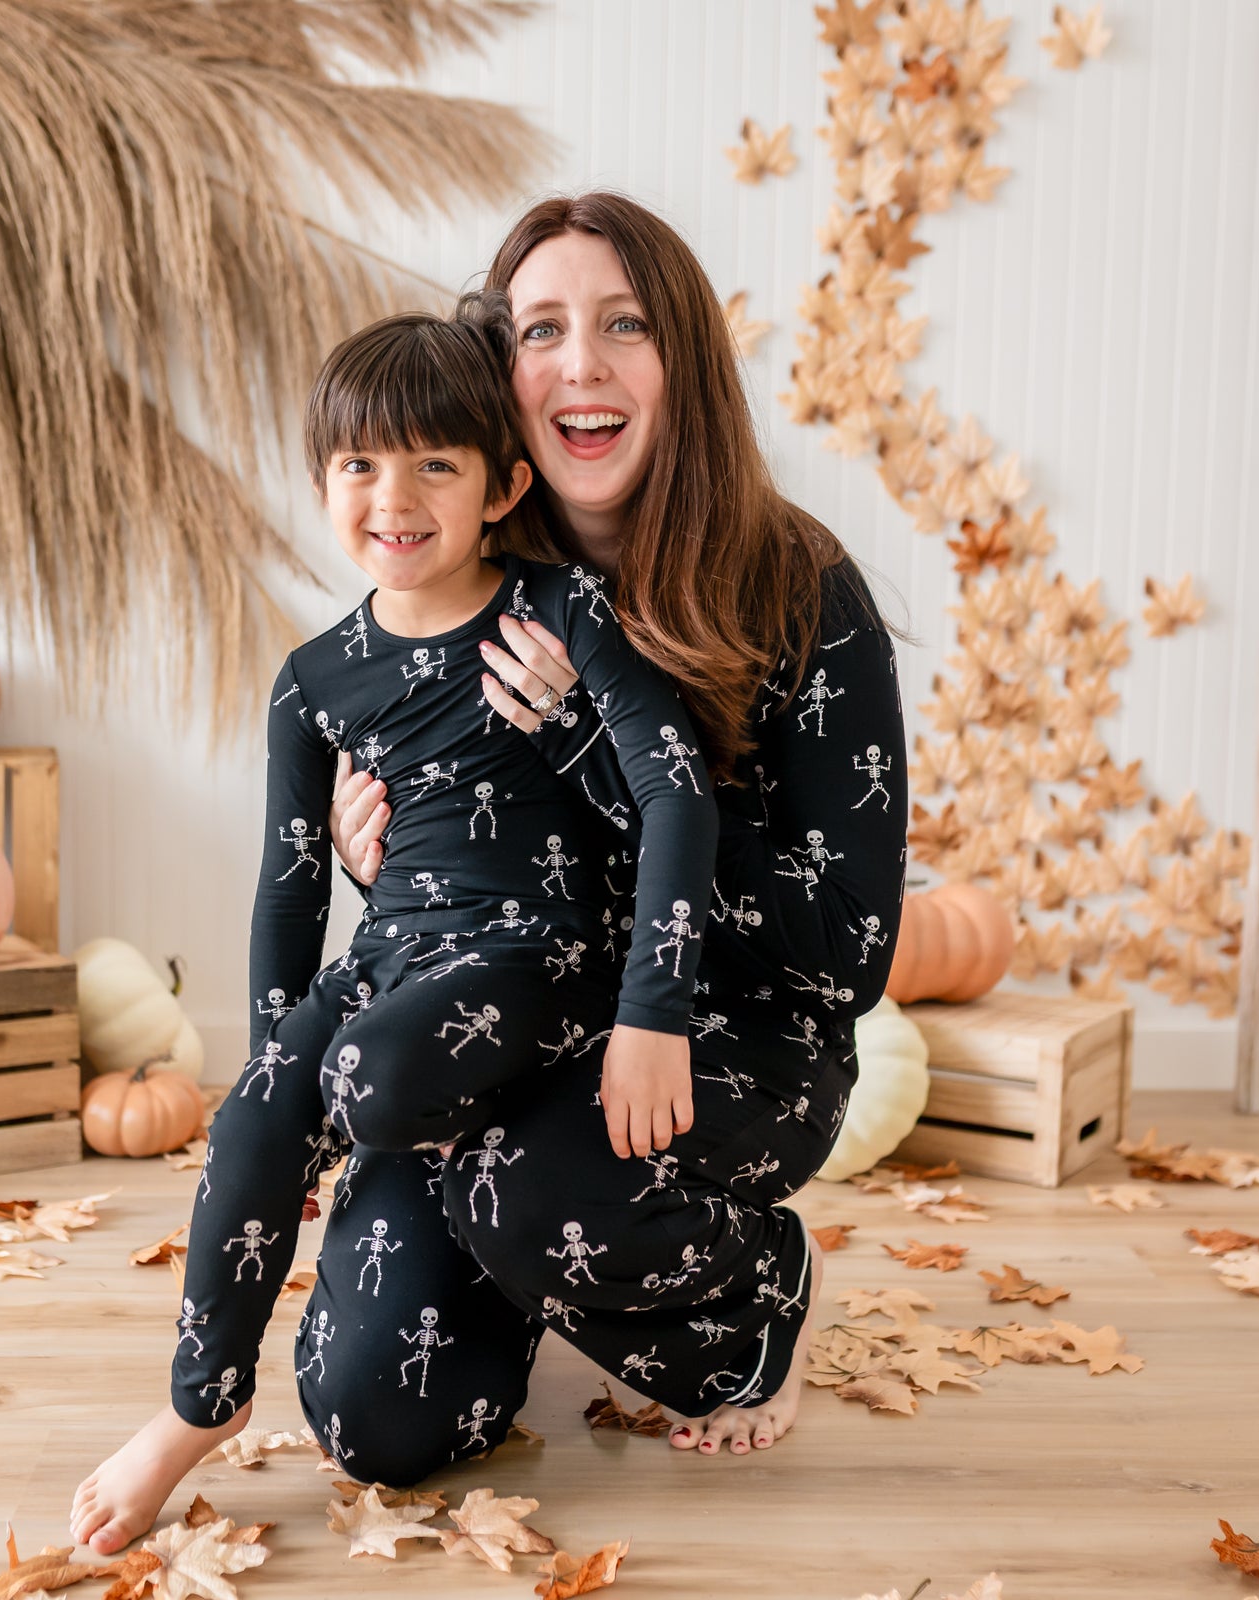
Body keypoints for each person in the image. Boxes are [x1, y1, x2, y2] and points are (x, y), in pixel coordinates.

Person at [71, 300, 721, 1554]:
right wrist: (276, 1060)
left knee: (367, 1071)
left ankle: (490, 1225)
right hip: (392, 967)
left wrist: (654, 1007)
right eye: (361, 462)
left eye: (436, 462)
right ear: (323, 481)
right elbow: (289, 881)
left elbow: (673, 792)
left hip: (538, 962)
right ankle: (194, 1408)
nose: (395, 493)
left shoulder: (560, 610)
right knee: (259, 1110)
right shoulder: (315, 677)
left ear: (502, 484)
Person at [319, 191, 912, 1469]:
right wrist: (376, 857)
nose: (579, 363)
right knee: (374, 1413)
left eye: (622, 323)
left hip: (724, 1033)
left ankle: (755, 1293)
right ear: (502, 375)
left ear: (680, 357)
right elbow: (450, 882)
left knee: (532, 1190)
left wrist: (599, 751)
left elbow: (847, 954)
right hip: (505, 1022)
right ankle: (544, 1268)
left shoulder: (798, 584)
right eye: (540, 330)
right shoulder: (454, 556)